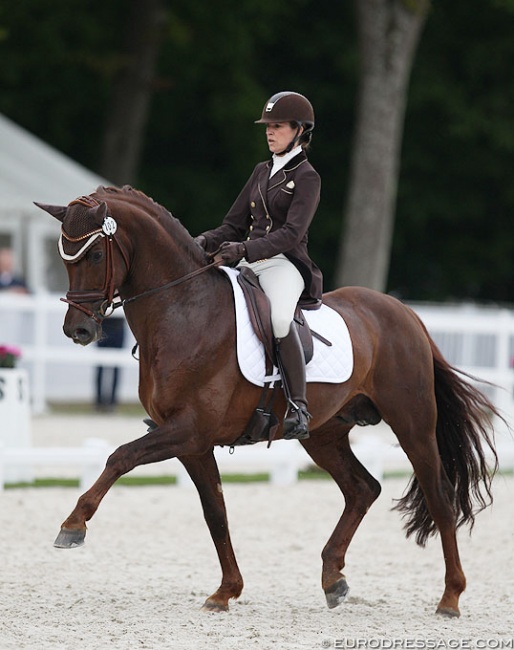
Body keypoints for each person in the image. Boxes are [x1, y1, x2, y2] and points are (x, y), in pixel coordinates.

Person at [195, 91, 322, 440]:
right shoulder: (260, 171)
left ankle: (299, 405)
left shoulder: (308, 177)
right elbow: (232, 224)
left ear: (299, 130)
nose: (269, 132)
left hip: (284, 263)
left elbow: (292, 234)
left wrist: (243, 249)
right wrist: (202, 241)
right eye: (268, 126)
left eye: (277, 126)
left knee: (280, 319)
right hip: (249, 260)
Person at [95, 316, 126, 413]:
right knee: (99, 366)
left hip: (117, 328)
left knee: (116, 366)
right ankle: (99, 402)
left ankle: (112, 402)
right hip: (103, 328)